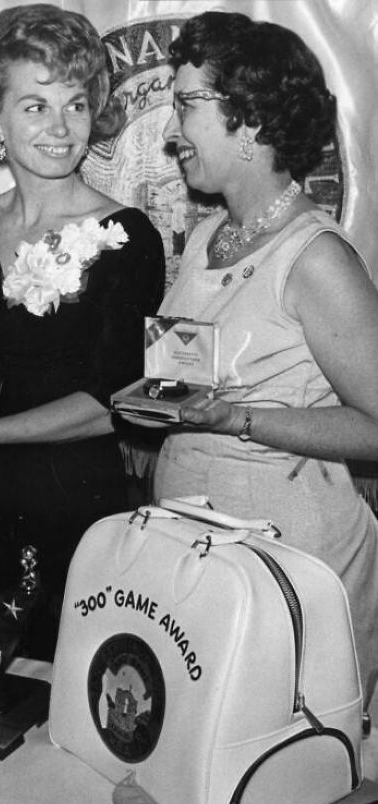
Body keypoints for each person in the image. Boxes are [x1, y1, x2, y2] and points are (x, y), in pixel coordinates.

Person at [154, 11, 378, 704]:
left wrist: (241, 421)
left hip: (293, 570)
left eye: (188, 105)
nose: (172, 131)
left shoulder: (317, 259)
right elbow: (184, 378)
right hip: (199, 565)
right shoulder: (205, 238)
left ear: (249, 122)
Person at [0, 3, 165, 658]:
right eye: (36, 106)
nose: (62, 127)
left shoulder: (128, 237)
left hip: (74, 506)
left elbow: (116, 400)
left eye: (74, 104)